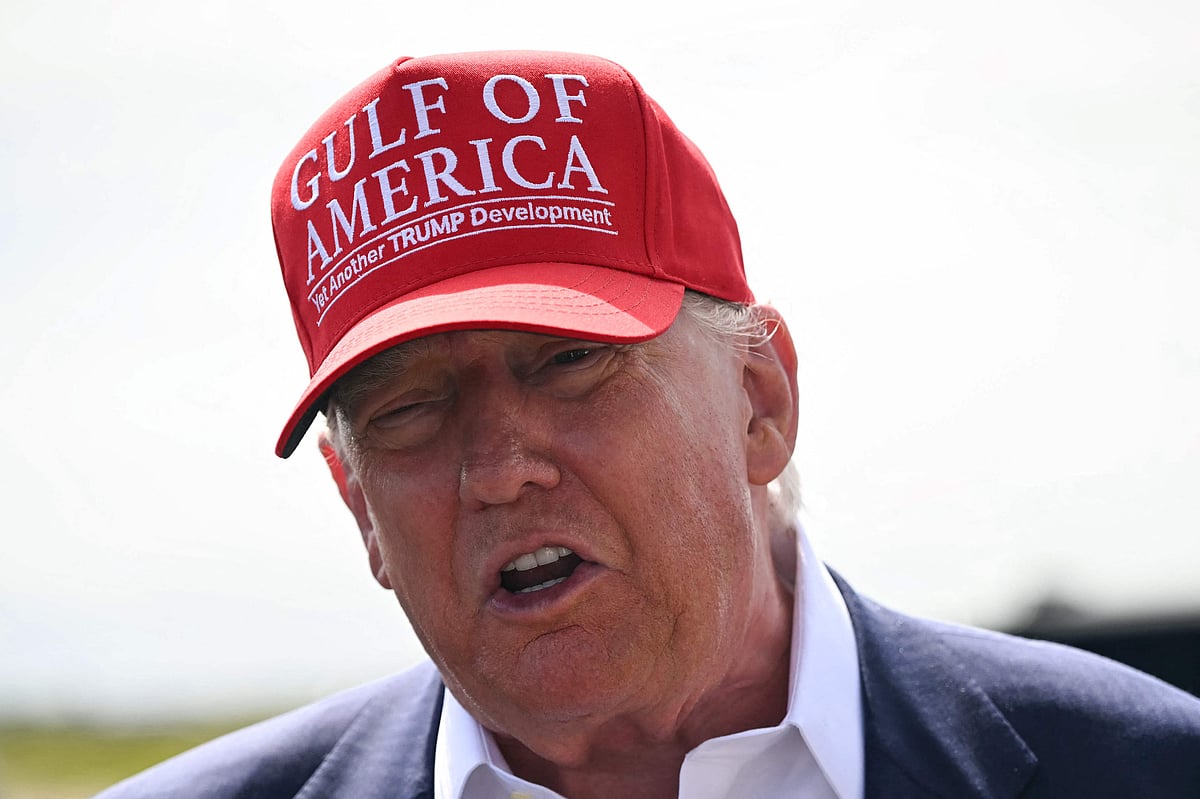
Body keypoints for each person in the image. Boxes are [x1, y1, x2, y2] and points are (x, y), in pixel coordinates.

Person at [97, 50, 1200, 799]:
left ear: (760, 401)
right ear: (360, 511)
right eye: (408, 408)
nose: (498, 468)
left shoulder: (1144, 769)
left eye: (571, 361)